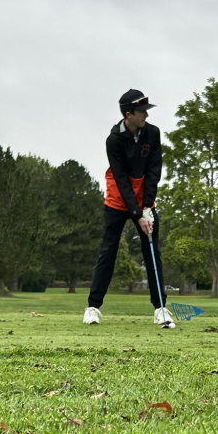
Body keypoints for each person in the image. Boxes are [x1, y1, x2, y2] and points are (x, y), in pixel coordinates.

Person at [83, 89, 174, 327]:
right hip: (117, 200)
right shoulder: (114, 140)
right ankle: (93, 307)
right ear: (128, 114)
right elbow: (121, 179)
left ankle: (161, 309)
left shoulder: (152, 133)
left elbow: (154, 171)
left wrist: (146, 208)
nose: (145, 115)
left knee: (152, 252)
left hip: (144, 199)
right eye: (141, 111)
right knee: (108, 252)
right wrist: (136, 213)